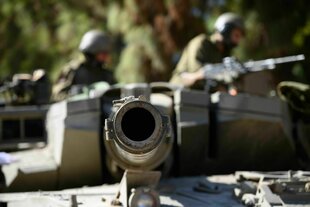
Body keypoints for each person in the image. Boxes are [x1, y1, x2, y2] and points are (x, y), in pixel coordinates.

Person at [169, 12, 245, 89]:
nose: (238, 41)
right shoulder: (202, 42)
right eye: (236, 35)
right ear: (225, 30)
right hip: (180, 90)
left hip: (203, 95)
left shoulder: (225, 54)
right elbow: (197, 72)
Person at [52, 30, 116, 101]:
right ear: (92, 52)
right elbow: (57, 95)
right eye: (103, 53)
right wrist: (75, 97)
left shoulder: (106, 74)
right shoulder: (73, 71)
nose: (106, 56)